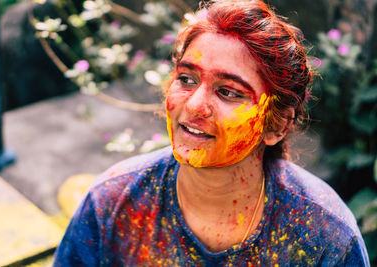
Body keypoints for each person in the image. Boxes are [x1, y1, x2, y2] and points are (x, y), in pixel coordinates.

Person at [53, 0, 370, 265]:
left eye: (229, 92)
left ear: (275, 125)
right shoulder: (113, 203)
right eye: (187, 79)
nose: (194, 106)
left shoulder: (324, 235)